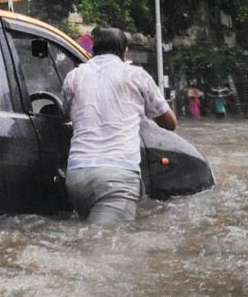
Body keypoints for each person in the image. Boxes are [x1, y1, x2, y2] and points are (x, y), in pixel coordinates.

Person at [62, 27, 176, 223]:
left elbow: (67, 112)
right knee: (106, 246)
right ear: (125, 53)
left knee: (88, 239)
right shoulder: (136, 76)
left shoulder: (73, 77)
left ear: (93, 51)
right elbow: (169, 123)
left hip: (76, 176)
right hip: (116, 178)